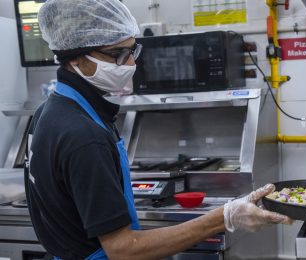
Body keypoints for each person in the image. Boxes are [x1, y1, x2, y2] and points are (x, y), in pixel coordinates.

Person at [24, 0, 292, 259]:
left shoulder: (47, 113)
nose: (130, 64)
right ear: (76, 58)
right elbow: (124, 249)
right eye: (118, 54)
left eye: (132, 51)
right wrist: (224, 217)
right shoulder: (83, 136)